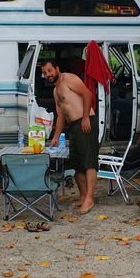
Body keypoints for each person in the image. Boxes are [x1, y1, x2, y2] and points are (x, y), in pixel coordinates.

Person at [42, 59, 98, 214]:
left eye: (49, 70)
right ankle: (82, 196)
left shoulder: (69, 78)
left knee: (89, 161)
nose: (48, 74)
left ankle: (89, 199)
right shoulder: (55, 91)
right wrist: (55, 136)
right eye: (45, 73)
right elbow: (60, 116)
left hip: (85, 121)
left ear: (57, 68)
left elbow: (87, 94)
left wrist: (86, 117)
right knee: (76, 163)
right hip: (73, 126)